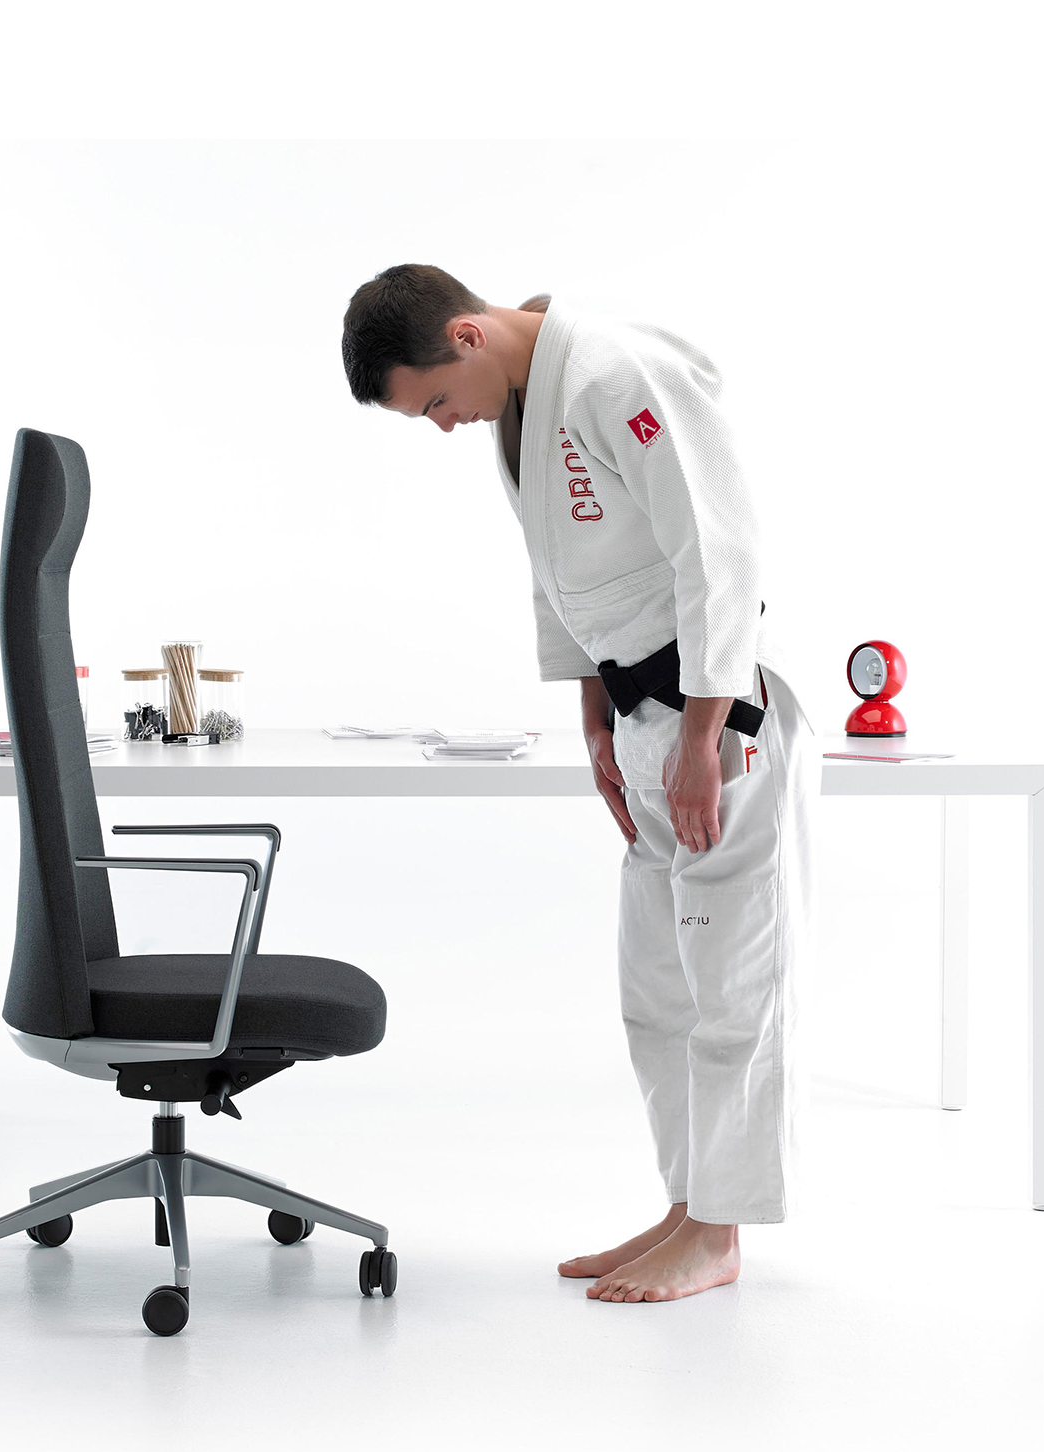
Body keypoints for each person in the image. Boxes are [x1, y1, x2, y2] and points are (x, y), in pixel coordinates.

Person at [340, 266, 814, 1304]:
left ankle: (720, 1232)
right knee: (658, 992)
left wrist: (702, 738)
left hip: (717, 721)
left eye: (434, 402)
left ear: (466, 336)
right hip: (643, 719)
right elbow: (562, 574)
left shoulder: (611, 374)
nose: (443, 426)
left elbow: (719, 548)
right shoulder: (521, 404)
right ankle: (688, 1205)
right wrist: (594, 715)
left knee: (730, 984)